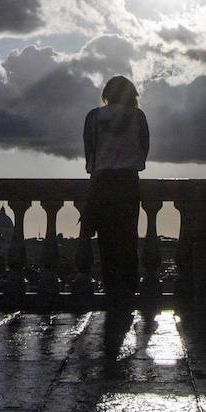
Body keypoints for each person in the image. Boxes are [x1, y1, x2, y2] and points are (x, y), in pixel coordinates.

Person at [83, 75, 150, 304]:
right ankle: (129, 291)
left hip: (102, 183)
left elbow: (90, 152)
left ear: (107, 95)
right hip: (128, 183)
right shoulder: (138, 117)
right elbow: (144, 150)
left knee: (107, 242)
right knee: (128, 238)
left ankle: (112, 291)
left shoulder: (93, 117)